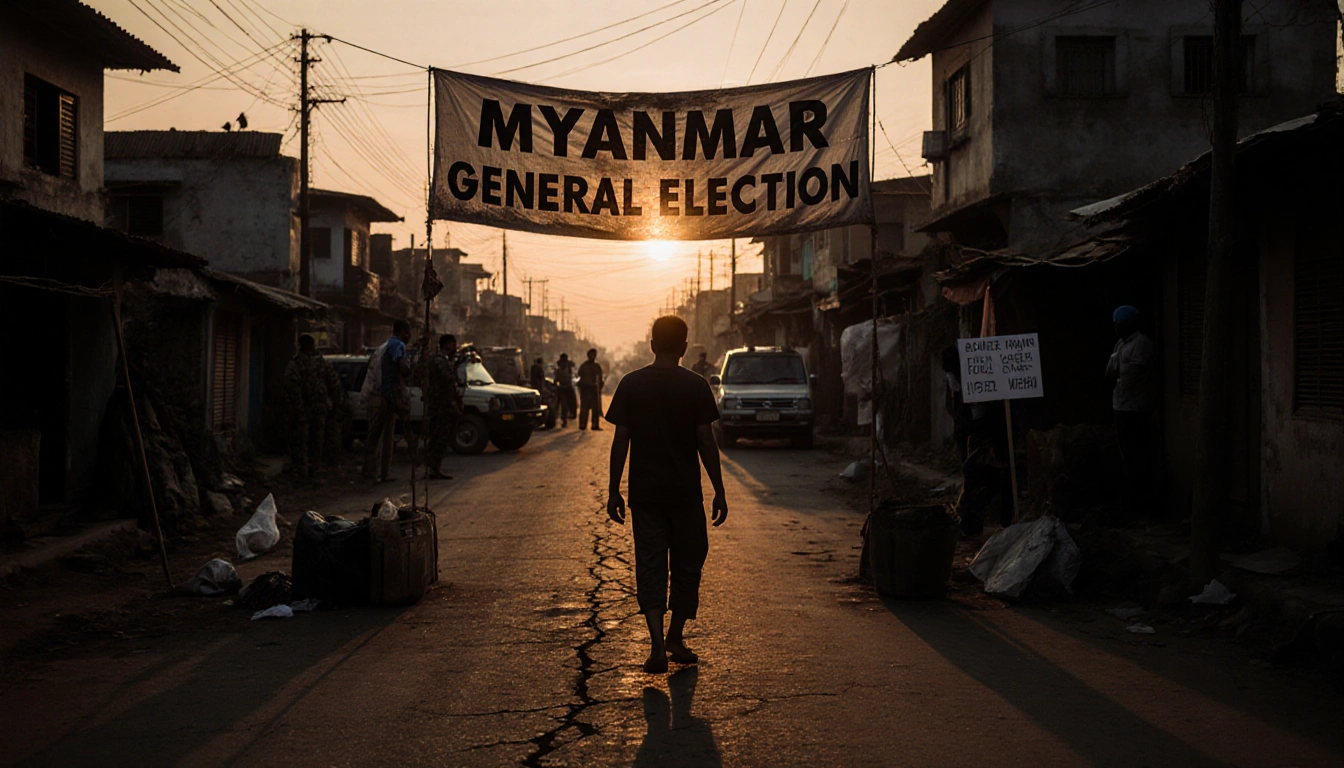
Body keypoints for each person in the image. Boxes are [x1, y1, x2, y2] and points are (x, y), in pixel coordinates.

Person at [606, 315, 728, 675]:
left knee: (651, 565)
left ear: (651, 344)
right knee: (689, 564)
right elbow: (706, 441)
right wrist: (718, 490)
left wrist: (615, 489)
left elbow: (620, 440)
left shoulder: (632, 383)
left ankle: (659, 645)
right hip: (685, 495)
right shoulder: (695, 385)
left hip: (645, 496)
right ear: (685, 347)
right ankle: (675, 636)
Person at [1106, 305, 1159, 519]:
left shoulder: (1141, 344)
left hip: (1137, 408)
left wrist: (1118, 377)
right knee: (1126, 455)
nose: (1117, 329)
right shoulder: (1120, 345)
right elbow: (1110, 372)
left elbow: (1132, 377)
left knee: (1139, 454)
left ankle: (1144, 501)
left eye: (1120, 325)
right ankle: (1132, 500)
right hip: (1121, 407)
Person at [363, 320, 412, 483]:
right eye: (408, 332)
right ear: (402, 332)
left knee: (383, 438)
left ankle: (380, 473)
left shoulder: (384, 347)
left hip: (382, 396)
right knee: (378, 438)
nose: (409, 336)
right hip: (384, 397)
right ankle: (373, 473)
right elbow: (403, 368)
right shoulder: (397, 345)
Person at [283, 334, 330, 479]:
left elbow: (329, 380)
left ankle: (314, 471)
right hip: (303, 411)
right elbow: (292, 390)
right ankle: (302, 473)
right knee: (301, 442)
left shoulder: (318, 362)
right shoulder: (296, 365)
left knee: (317, 442)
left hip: (317, 409)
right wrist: (299, 411)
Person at [424, 334, 461, 480]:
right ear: (447, 344)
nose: (454, 348)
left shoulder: (443, 360)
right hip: (439, 405)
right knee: (438, 437)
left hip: (442, 404)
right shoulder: (439, 360)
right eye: (453, 345)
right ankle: (433, 469)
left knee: (440, 437)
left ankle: (434, 468)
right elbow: (449, 379)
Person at [314, 349, 347, 465]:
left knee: (325, 436)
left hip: (324, 408)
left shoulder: (321, 366)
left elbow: (335, 387)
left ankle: (325, 462)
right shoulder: (322, 366)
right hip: (320, 408)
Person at [577, 348, 605, 431]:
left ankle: (595, 425)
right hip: (585, 389)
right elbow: (579, 377)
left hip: (593, 389)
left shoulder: (597, 366)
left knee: (595, 408)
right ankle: (582, 424)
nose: (593, 356)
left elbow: (600, 378)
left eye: (594, 355)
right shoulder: (583, 366)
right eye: (591, 354)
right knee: (584, 408)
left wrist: (599, 386)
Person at [555, 352, 578, 427]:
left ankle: (571, 415)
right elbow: (556, 379)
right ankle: (563, 418)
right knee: (562, 404)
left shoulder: (567, 366)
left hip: (567, 386)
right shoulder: (560, 368)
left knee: (572, 402)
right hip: (563, 387)